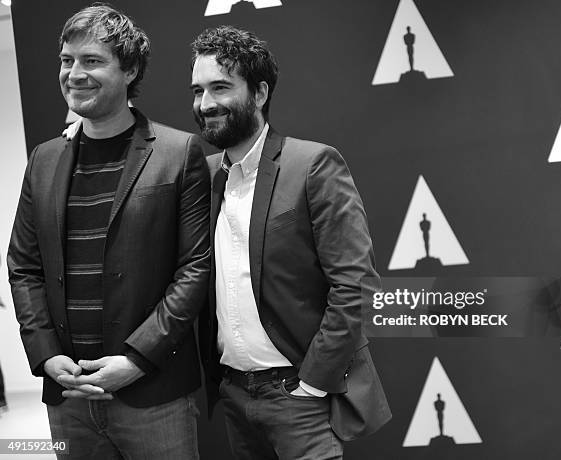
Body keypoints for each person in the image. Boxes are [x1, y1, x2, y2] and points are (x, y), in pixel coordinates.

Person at [7, 5, 209, 458]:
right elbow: (23, 265)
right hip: (68, 398)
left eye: (92, 61)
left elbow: (195, 268)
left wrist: (136, 359)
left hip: (153, 395)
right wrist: (45, 355)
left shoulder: (178, 153)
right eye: (66, 60)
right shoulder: (43, 159)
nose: (74, 74)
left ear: (130, 69)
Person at [192, 26, 391, 459]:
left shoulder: (313, 164)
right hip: (233, 398)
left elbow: (356, 286)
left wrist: (313, 383)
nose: (205, 104)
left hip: (299, 399)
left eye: (220, 88)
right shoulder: (201, 175)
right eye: (199, 90)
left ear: (260, 93)